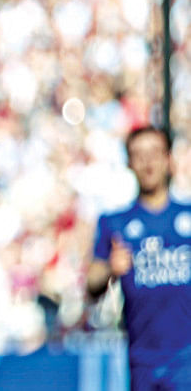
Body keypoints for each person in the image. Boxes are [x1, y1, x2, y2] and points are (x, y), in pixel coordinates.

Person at [87, 126, 191, 390]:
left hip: (186, 359)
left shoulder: (187, 215)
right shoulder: (115, 222)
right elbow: (91, 284)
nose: (148, 162)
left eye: (154, 153)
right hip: (142, 360)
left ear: (168, 159)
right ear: (129, 163)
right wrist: (111, 268)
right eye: (139, 155)